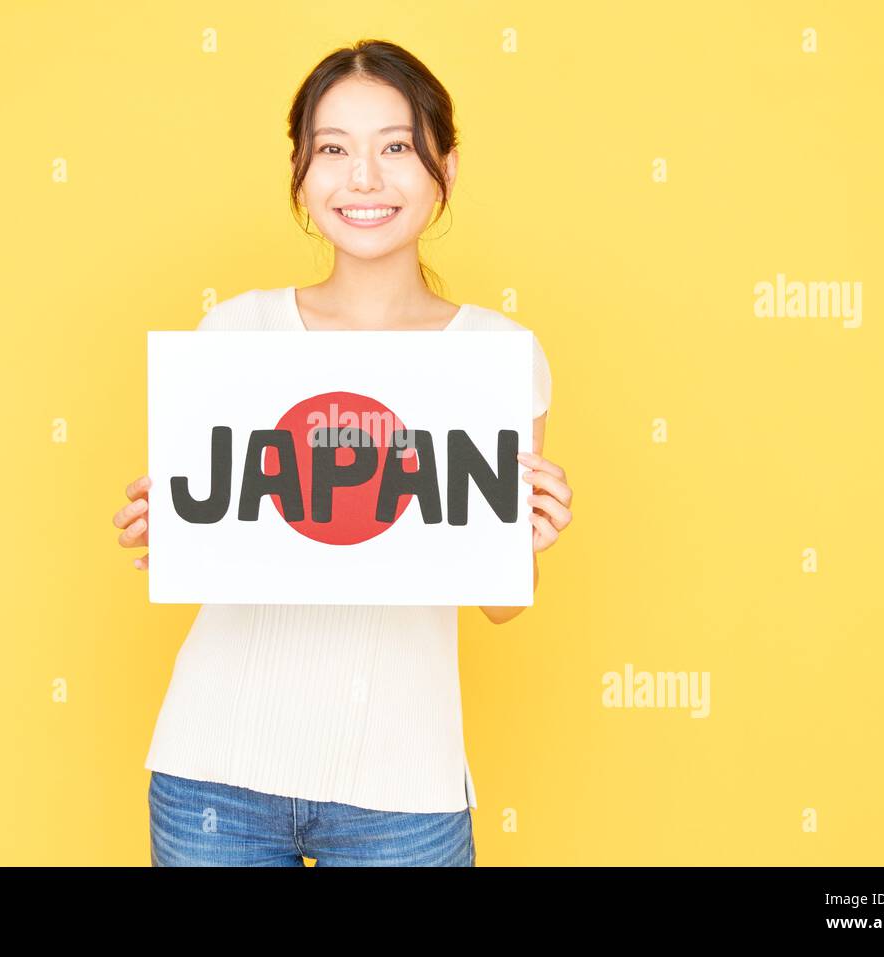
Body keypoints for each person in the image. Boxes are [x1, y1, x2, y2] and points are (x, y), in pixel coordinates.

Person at [113, 39, 574, 866]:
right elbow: (226, 542)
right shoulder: (235, 331)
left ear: (447, 168)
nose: (363, 177)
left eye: (396, 146)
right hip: (213, 770)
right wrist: (173, 528)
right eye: (333, 149)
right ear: (300, 171)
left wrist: (525, 538)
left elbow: (503, 604)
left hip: (403, 789)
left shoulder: (496, 353)